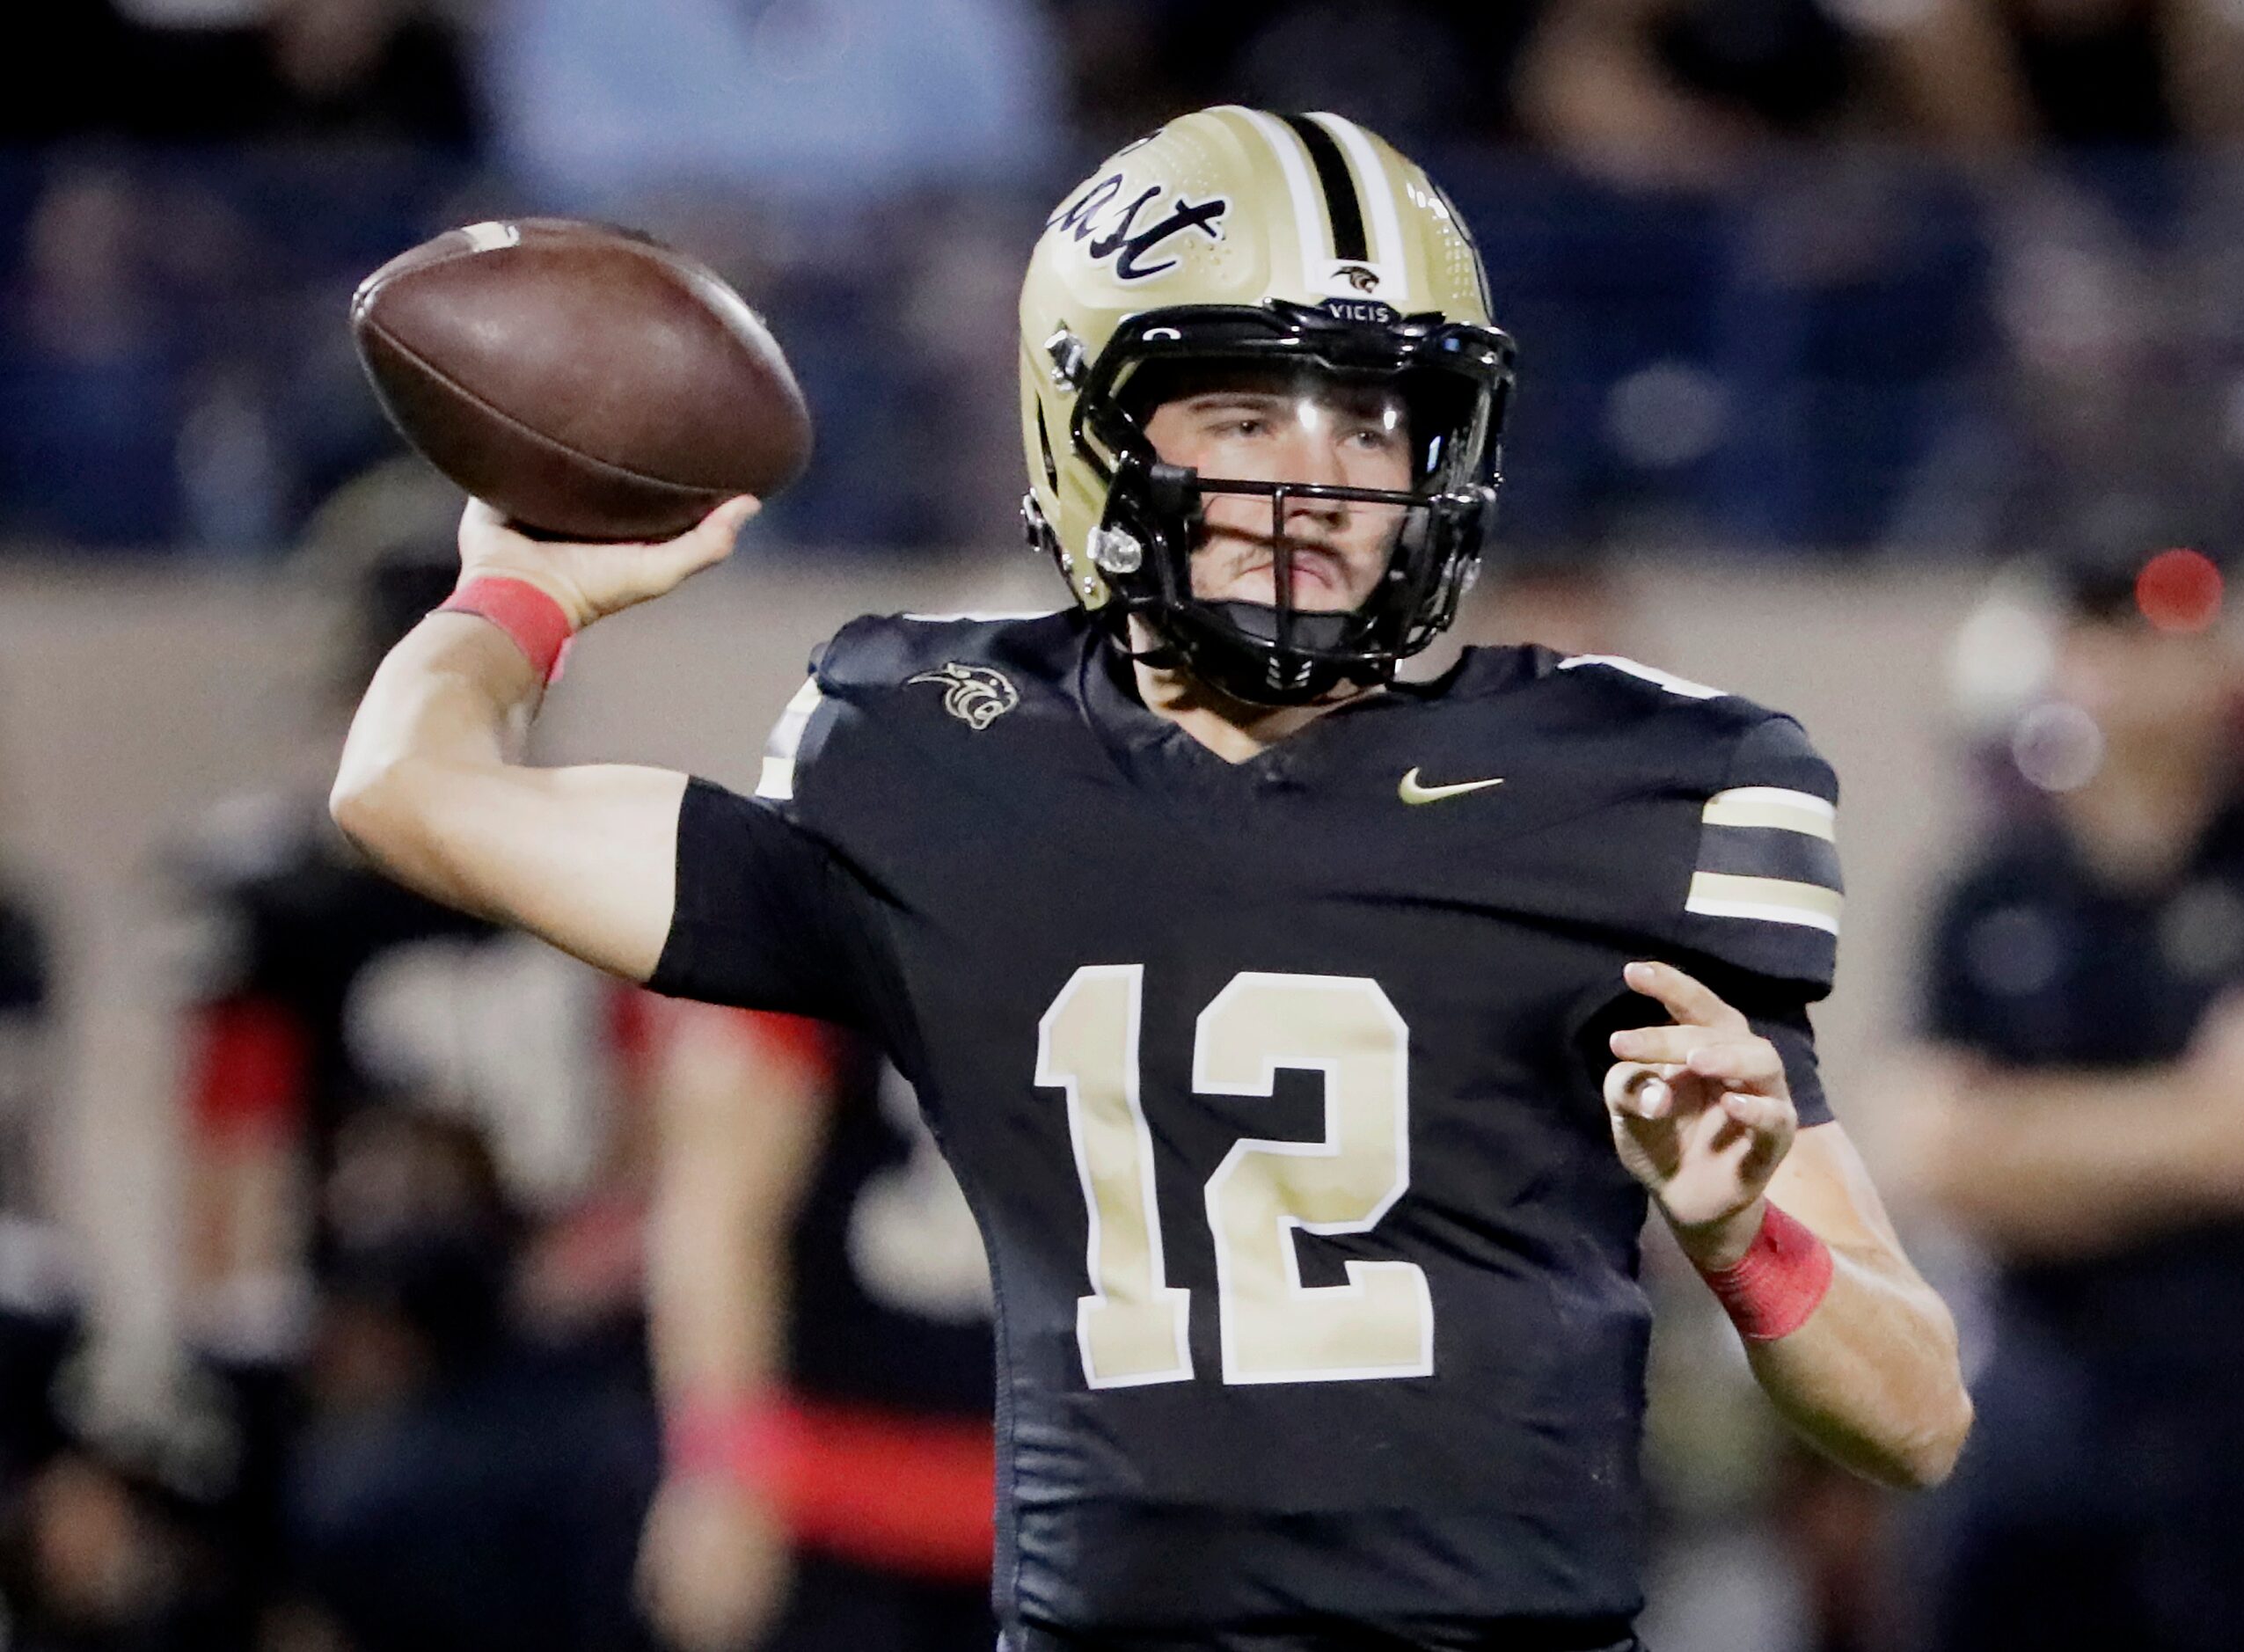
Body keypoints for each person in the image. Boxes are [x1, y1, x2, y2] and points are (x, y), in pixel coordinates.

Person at [329, 107, 1972, 1650]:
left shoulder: (1631, 788)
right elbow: (410, 789)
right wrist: (518, 587)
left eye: (1373, 416)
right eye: (1246, 409)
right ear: (1092, 432)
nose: (1318, 482)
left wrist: (1748, 1234)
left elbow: (1912, 1411)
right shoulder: (935, 757)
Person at [1896, 551, 2244, 1652]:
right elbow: (1934, 1158)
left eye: (2177, 622)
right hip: (2041, 1401)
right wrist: (2176, 1128)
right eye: (2108, 623)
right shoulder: (1988, 896)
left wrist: (2030, 1138)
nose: (2142, 661)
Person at [635, 1002, 997, 1652]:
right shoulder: (819, 922)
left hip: (1084, 1505)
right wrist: (719, 1463)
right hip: (835, 1494)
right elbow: (717, 1204)